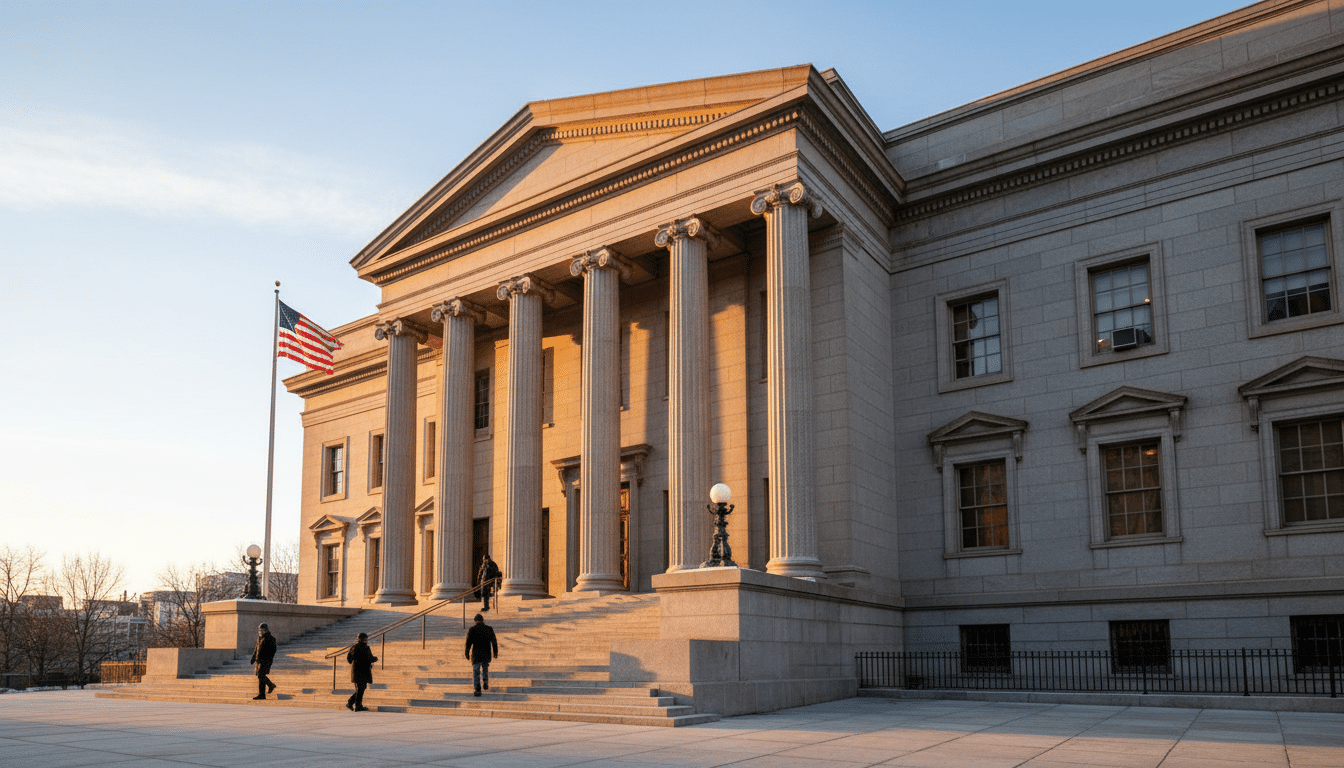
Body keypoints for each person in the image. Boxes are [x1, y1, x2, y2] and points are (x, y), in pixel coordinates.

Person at [464, 613, 497, 697]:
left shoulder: (472, 629)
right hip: (486, 653)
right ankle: (485, 683)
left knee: (476, 672)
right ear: (483, 620)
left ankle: (478, 690)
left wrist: (467, 652)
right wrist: (495, 652)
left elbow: (468, 642)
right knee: (485, 668)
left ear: (475, 621)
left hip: (476, 654)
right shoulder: (489, 629)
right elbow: (494, 641)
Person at [345, 632, 377, 711]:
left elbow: (349, 659)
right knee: (361, 688)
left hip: (356, 670)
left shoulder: (354, 647)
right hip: (363, 671)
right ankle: (354, 704)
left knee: (360, 688)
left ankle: (354, 704)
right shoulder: (365, 647)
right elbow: (370, 658)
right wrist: (375, 658)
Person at [250, 622, 277, 700]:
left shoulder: (271, 638)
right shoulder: (259, 638)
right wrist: (253, 658)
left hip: (265, 661)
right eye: (259, 630)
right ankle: (270, 686)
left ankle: (262, 694)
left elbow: (273, 651)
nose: (260, 632)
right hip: (259, 661)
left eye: (261, 630)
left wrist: (267, 659)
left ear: (266, 630)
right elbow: (256, 649)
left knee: (261, 675)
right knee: (260, 676)